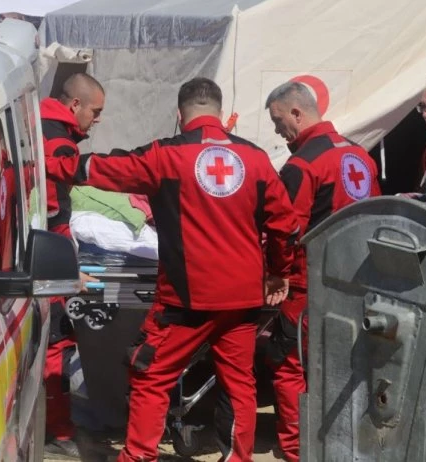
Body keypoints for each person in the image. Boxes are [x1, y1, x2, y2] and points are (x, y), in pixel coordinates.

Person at [66, 77, 299, 462]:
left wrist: (62, 162)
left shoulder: (166, 155)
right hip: (242, 299)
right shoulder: (255, 158)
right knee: (240, 383)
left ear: (180, 114)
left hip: (186, 301)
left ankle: (138, 455)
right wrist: (278, 270)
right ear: (221, 114)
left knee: (150, 372)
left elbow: (107, 169)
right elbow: (285, 225)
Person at [263, 81, 381, 461]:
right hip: (361, 281)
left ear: (297, 112)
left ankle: (297, 450)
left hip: (309, 284)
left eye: (279, 121)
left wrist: (275, 272)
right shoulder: (361, 155)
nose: (278, 131)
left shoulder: (302, 165)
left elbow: (286, 229)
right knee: (350, 368)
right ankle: (344, 445)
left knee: (288, 365)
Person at [40, 72, 105, 458]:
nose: (97, 119)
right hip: (44, 261)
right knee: (57, 346)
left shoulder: (31, 124)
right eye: (95, 111)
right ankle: (59, 431)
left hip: (32, 257)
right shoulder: (58, 143)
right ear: (75, 105)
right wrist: (66, 270)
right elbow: (47, 215)